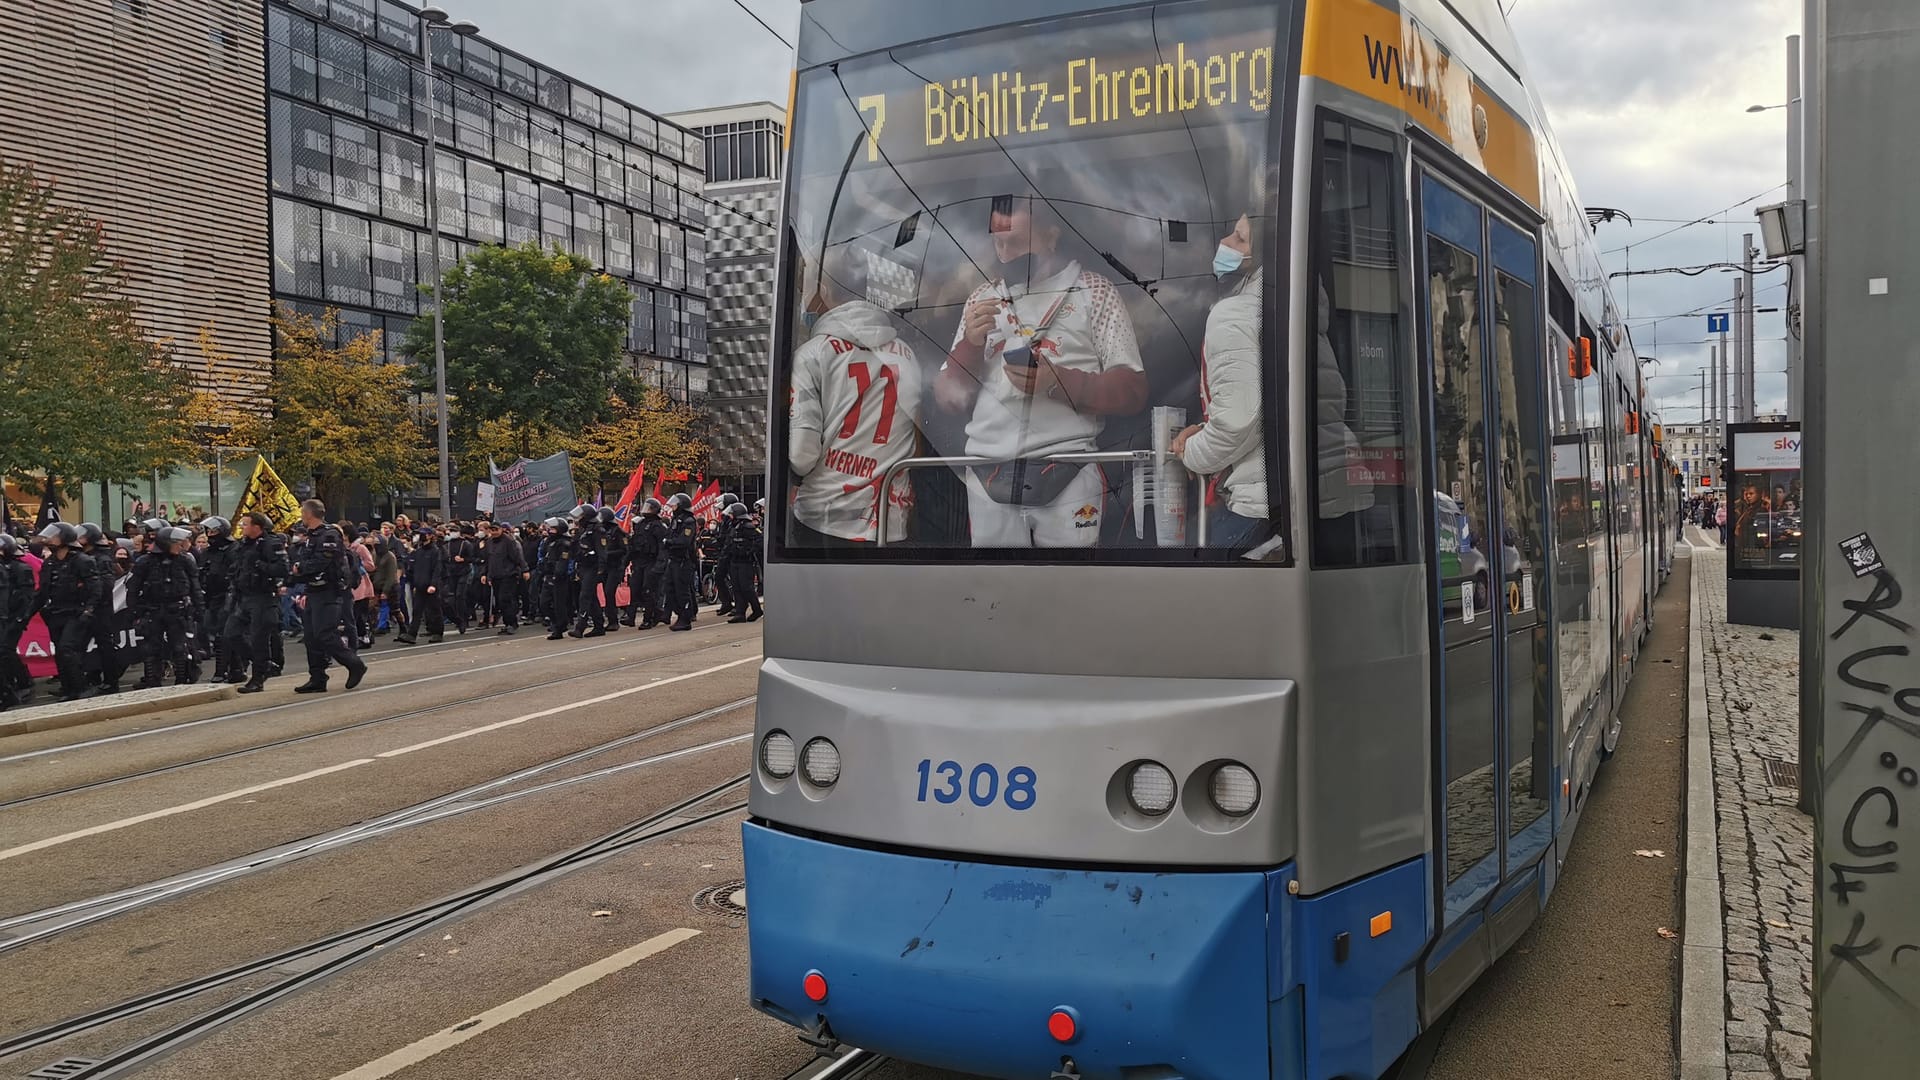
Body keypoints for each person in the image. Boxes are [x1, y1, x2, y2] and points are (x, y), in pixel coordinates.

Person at [936, 195, 1147, 547]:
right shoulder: (981, 298)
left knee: (1070, 591)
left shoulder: (1094, 291)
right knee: (994, 593)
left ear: (1052, 237)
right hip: (988, 470)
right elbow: (947, 398)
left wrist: (1057, 382)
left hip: (1068, 469)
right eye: (997, 242)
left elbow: (1133, 390)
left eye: (1016, 243)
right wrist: (970, 347)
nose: (1004, 254)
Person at [789, 248, 926, 546]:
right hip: (891, 524)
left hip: (824, 520)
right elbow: (916, 446)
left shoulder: (812, 355)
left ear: (821, 291)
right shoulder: (908, 356)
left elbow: (801, 455)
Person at [1172, 214, 1269, 549]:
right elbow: (1263, 399)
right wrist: (1205, 426)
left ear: (1263, 254)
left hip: (1254, 508)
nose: (1226, 242)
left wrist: (1190, 453)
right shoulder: (1287, 306)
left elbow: (1238, 422)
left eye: (1240, 239)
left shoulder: (1234, 315)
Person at [289, 499, 367, 693]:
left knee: (325, 633)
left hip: (329, 591)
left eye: (302, 512)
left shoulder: (329, 534)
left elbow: (321, 562)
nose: (301, 516)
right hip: (314, 590)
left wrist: (301, 568)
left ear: (308, 514)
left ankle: (354, 664)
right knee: (311, 636)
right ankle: (317, 677)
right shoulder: (312, 535)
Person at [31, 523, 98, 702]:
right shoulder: (50, 563)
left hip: (76, 612)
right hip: (55, 614)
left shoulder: (83, 561)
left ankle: (81, 687)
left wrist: (88, 611)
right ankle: (68, 689)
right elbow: (42, 592)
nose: (49, 539)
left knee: (67, 649)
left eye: (54, 535)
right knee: (60, 653)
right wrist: (25, 616)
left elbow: (95, 589)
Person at [223, 513, 287, 694]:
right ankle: (264, 664)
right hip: (243, 596)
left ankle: (258, 679)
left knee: (259, 639)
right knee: (231, 633)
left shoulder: (270, 544)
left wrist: (260, 565)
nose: (242, 527)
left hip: (263, 597)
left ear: (257, 527)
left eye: (245, 524)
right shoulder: (242, 544)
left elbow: (282, 569)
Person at [130, 526, 200, 688]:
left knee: (179, 646)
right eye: (176, 542)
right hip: (152, 609)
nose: (180, 545)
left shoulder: (185, 560)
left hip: (177, 609)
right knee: (151, 648)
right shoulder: (145, 562)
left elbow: (195, 587)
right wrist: (135, 611)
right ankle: (152, 680)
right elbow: (133, 588)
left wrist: (198, 609)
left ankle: (182, 679)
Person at [75, 523, 129, 692]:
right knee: (78, 646)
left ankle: (111, 682)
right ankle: (84, 680)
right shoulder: (82, 556)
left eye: (82, 535)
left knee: (105, 646)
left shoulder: (103, 559)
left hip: (100, 610)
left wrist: (85, 591)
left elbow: (106, 586)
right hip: (86, 608)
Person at [197, 517, 238, 682]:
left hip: (228, 597)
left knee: (224, 635)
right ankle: (234, 668)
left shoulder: (233, 550)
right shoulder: (206, 553)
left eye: (213, 531)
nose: (210, 534)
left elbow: (235, 574)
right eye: (208, 531)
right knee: (211, 631)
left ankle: (223, 670)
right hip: (211, 597)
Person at [0, 534, 35, 710]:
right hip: (5, 615)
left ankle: (23, 681)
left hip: (14, 616)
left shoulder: (21, 569)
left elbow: (26, 597)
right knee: (5, 651)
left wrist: (21, 618)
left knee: (5, 650)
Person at [397, 526, 447, 645]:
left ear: (430, 536)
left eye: (424, 534)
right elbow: (414, 569)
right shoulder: (418, 552)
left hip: (431, 586)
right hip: (419, 586)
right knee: (417, 610)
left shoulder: (435, 551)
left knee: (434, 610)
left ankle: (437, 632)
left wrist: (433, 584)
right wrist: (414, 583)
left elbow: (437, 569)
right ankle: (411, 634)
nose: (421, 536)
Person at [480, 519, 529, 635]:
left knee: (505, 599)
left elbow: (517, 557)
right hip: (495, 575)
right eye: (492, 530)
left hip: (508, 575)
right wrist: (485, 574)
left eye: (496, 530)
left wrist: (524, 569)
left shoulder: (509, 541)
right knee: (500, 602)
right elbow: (488, 560)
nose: (494, 532)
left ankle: (512, 623)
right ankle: (508, 624)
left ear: (501, 529)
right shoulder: (490, 542)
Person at [569, 504, 608, 638]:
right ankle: (599, 625)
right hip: (583, 566)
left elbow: (602, 550)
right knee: (591, 597)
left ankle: (580, 626)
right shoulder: (582, 530)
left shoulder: (598, 530)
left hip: (593, 567)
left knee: (585, 596)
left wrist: (601, 568)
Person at [720, 503, 764, 623]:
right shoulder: (734, 527)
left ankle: (757, 609)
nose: (729, 516)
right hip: (734, 560)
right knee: (736, 587)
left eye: (731, 513)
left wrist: (749, 551)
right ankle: (740, 613)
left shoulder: (749, 526)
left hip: (746, 562)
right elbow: (729, 543)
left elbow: (760, 540)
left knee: (747, 587)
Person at [663, 493, 699, 631]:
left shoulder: (689, 521)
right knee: (670, 589)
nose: (673, 507)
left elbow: (684, 541)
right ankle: (679, 615)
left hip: (683, 560)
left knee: (682, 591)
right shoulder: (675, 520)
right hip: (673, 560)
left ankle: (685, 618)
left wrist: (669, 542)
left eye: (675, 504)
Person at [540, 517, 576, 641]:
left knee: (558, 604)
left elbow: (563, 560)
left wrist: (558, 573)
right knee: (544, 603)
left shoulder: (564, 543)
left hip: (559, 577)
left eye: (553, 528)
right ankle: (556, 622)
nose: (550, 531)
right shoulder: (548, 542)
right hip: (548, 575)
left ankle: (559, 627)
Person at [597, 507, 627, 630]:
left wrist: (608, 553)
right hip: (606, 567)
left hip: (615, 566)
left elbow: (624, 549)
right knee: (606, 592)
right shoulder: (601, 531)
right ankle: (610, 619)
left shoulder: (618, 531)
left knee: (610, 592)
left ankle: (613, 620)